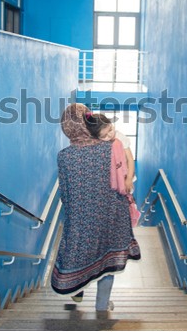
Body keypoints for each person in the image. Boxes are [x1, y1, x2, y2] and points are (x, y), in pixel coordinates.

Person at [51, 103, 141, 312]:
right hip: (112, 216)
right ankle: (101, 306)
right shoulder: (111, 147)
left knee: (78, 254)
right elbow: (124, 179)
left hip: (81, 218)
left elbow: (64, 192)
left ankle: (77, 288)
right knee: (108, 259)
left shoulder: (63, 156)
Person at [83, 113, 136, 194]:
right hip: (110, 179)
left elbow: (130, 159)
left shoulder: (120, 137)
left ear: (111, 124)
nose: (110, 135)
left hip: (124, 174)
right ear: (97, 137)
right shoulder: (97, 144)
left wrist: (129, 179)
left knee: (126, 194)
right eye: (104, 136)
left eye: (110, 129)